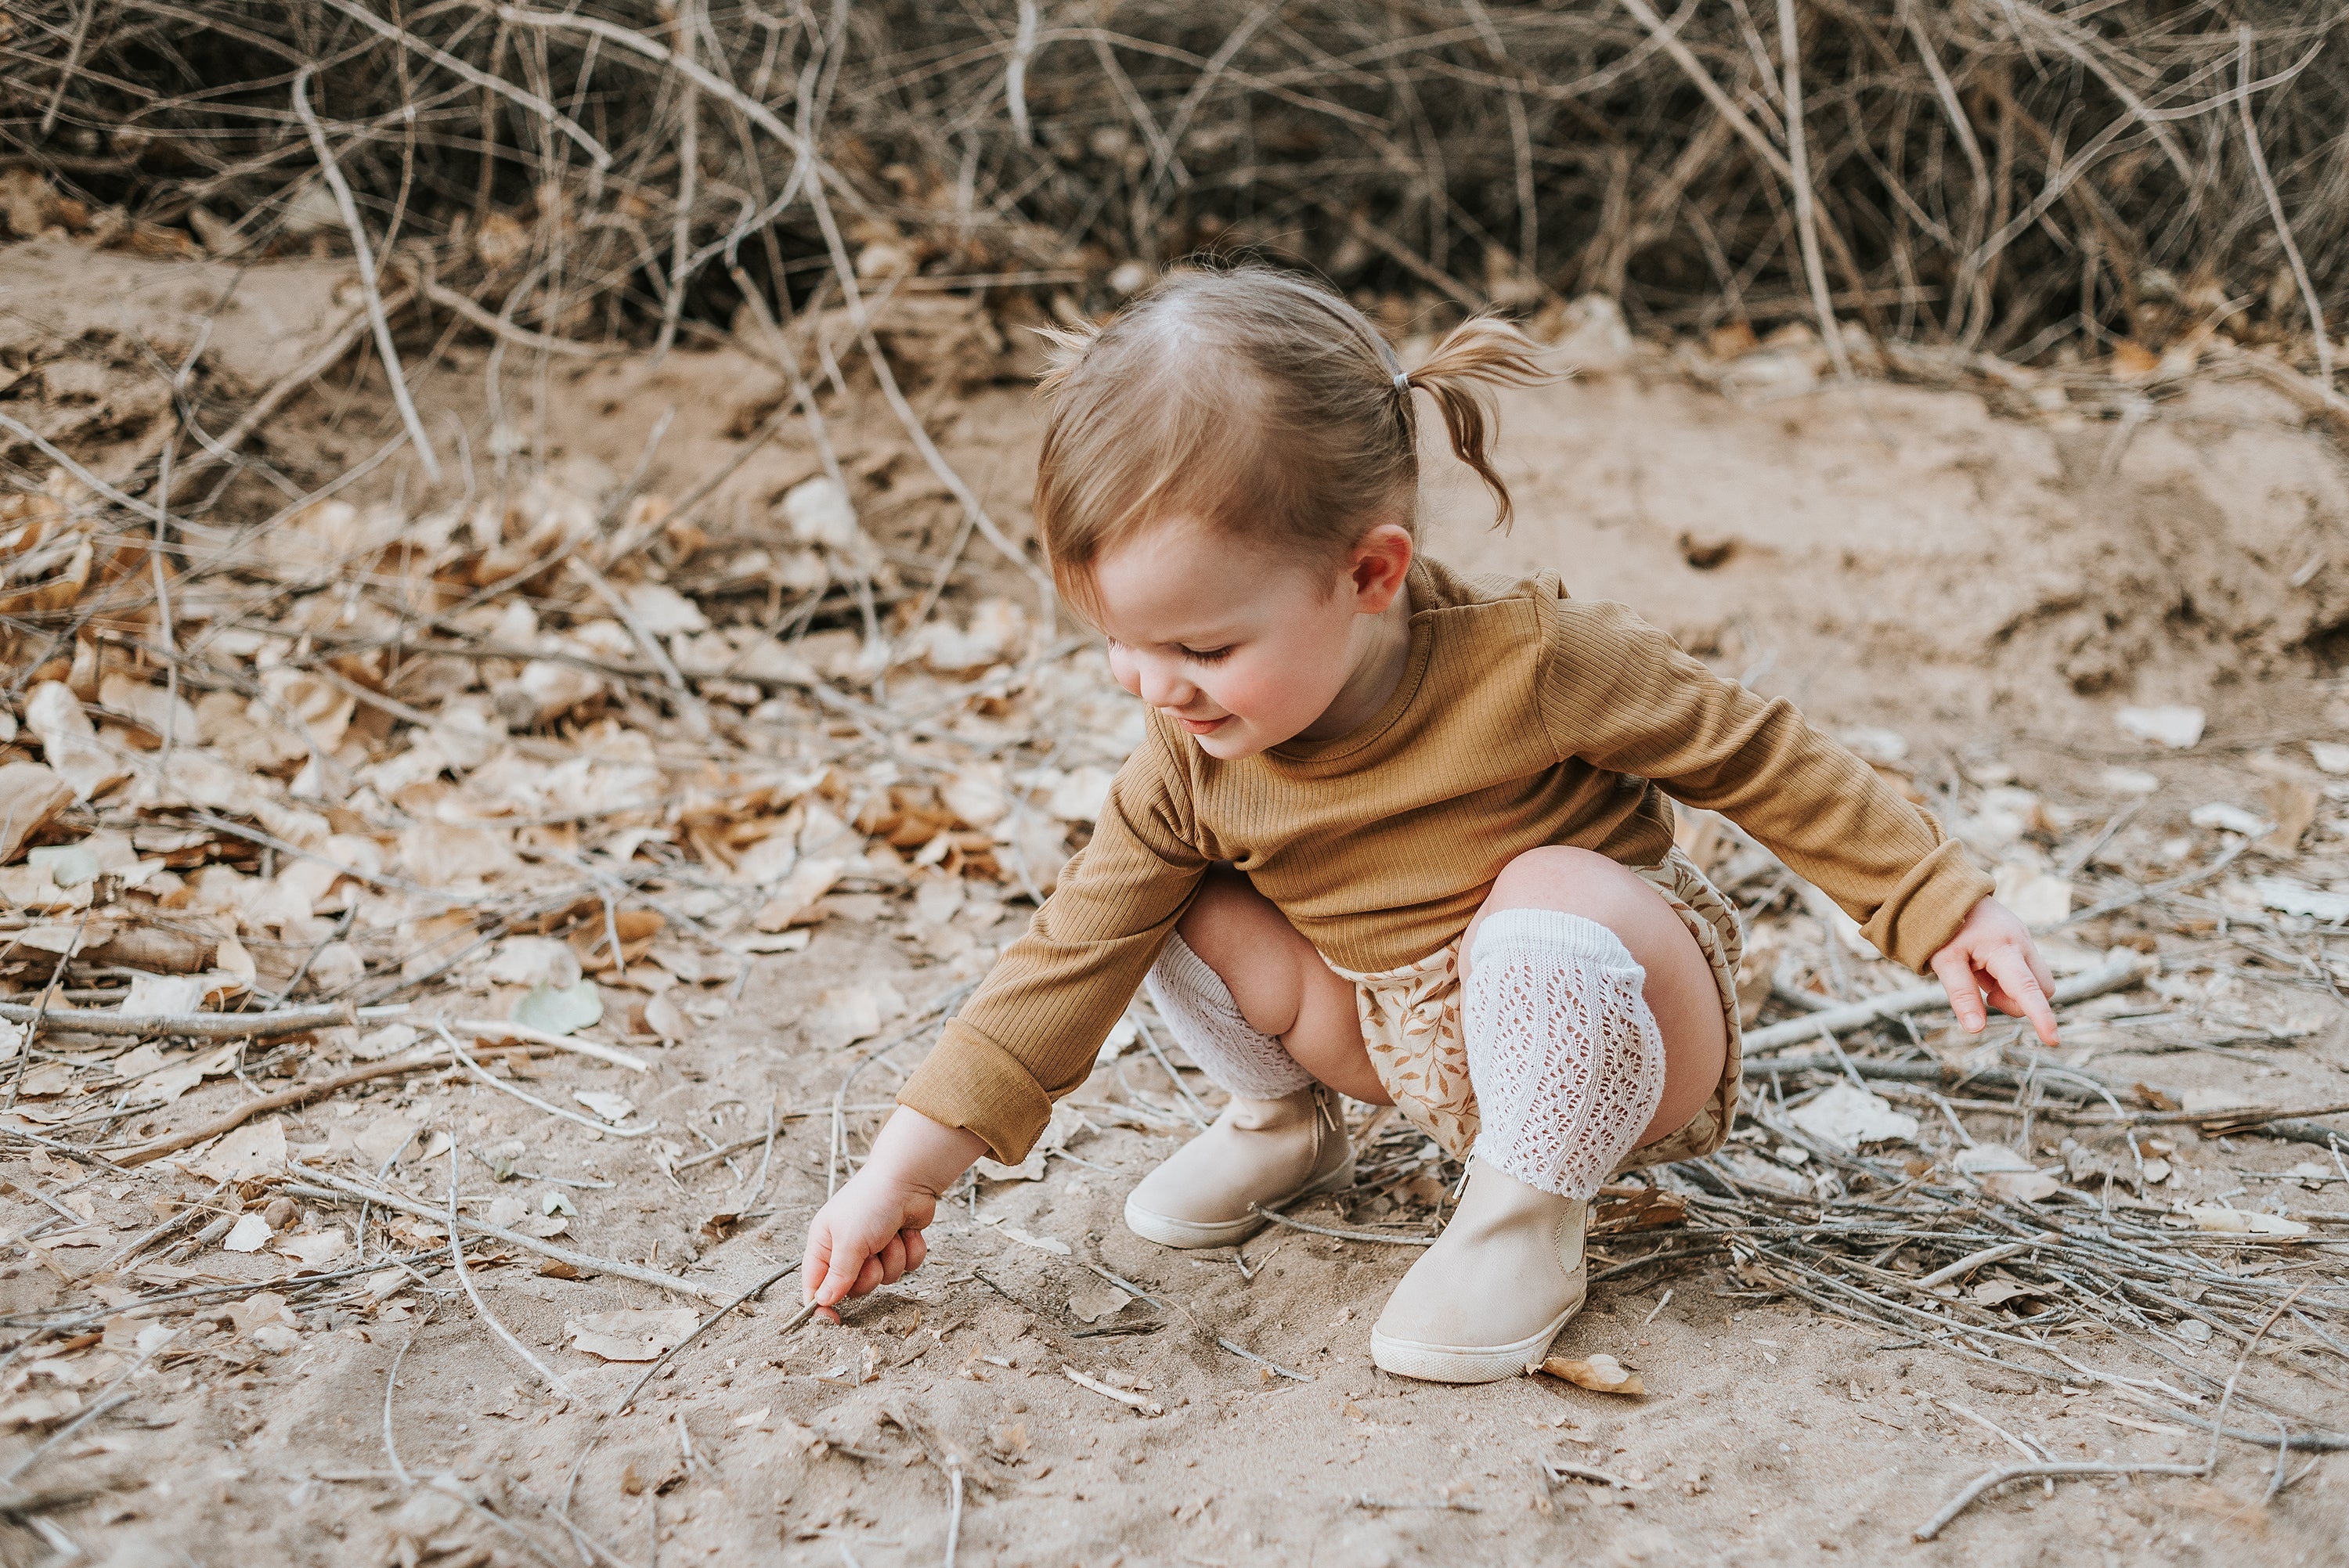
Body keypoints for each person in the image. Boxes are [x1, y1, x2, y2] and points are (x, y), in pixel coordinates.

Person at [799, 263, 2057, 1382]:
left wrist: (1940, 901)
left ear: (1368, 575)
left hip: (1620, 1037)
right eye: (1120, 645)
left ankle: (1527, 1220)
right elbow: (1065, 957)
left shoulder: (1538, 662)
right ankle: (1281, 1125)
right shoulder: (1189, 760)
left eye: (1200, 646)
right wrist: (895, 1176)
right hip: (1395, 1040)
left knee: (1551, 894)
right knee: (1148, 898)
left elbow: (1759, 753)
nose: (1153, 686)